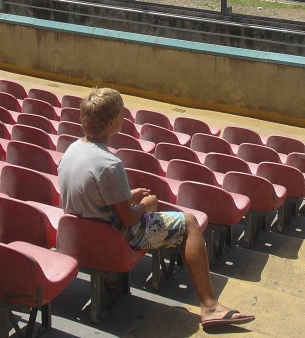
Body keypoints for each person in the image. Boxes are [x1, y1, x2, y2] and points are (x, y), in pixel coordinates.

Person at [58, 88, 253, 330]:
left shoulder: (71, 150)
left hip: (79, 237)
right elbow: (128, 219)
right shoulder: (110, 164)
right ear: (112, 122)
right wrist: (144, 205)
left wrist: (127, 196)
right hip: (116, 236)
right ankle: (210, 307)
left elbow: (92, 195)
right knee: (189, 223)